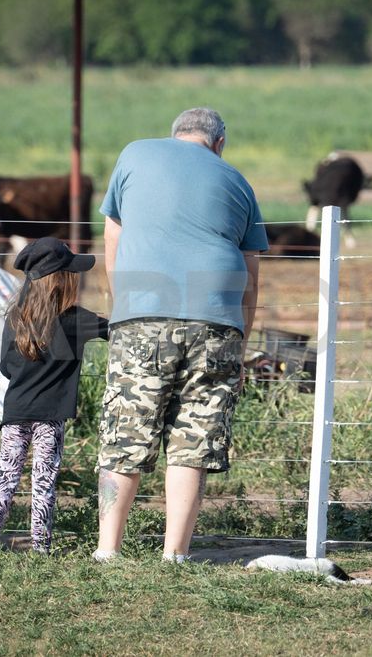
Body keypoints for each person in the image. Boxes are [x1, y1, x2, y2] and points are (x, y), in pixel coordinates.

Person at [94, 107, 269, 562]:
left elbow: (112, 237)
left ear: (175, 135)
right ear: (219, 142)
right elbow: (252, 275)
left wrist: (121, 306)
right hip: (217, 322)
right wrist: (241, 343)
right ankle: (175, 553)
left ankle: (108, 549)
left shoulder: (134, 154)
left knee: (126, 432)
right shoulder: (238, 182)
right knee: (194, 439)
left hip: (143, 314)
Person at [0, 238, 109, 555]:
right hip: (50, 416)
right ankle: (40, 546)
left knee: (5, 478)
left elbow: (5, 366)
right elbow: (116, 329)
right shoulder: (75, 319)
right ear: (62, 279)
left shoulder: (15, 317)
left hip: (16, 410)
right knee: (44, 482)